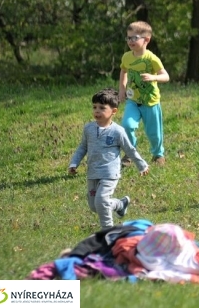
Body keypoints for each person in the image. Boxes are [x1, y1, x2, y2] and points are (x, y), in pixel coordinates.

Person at [69, 88, 149, 228]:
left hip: (109, 173)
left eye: (102, 108)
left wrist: (141, 164)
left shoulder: (118, 131)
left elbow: (129, 149)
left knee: (101, 201)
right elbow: (82, 148)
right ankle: (120, 204)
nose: (97, 111)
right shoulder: (88, 129)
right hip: (92, 173)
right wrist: (74, 163)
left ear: (114, 111)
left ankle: (108, 232)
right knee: (95, 206)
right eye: (94, 107)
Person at [118, 21, 170, 166]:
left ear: (146, 40)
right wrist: (122, 89)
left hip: (150, 101)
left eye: (134, 38)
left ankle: (158, 155)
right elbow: (123, 71)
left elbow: (166, 76)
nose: (130, 41)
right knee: (127, 126)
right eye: (128, 38)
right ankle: (129, 154)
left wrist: (154, 77)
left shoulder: (151, 58)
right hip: (133, 100)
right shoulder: (127, 57)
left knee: (154, 133)